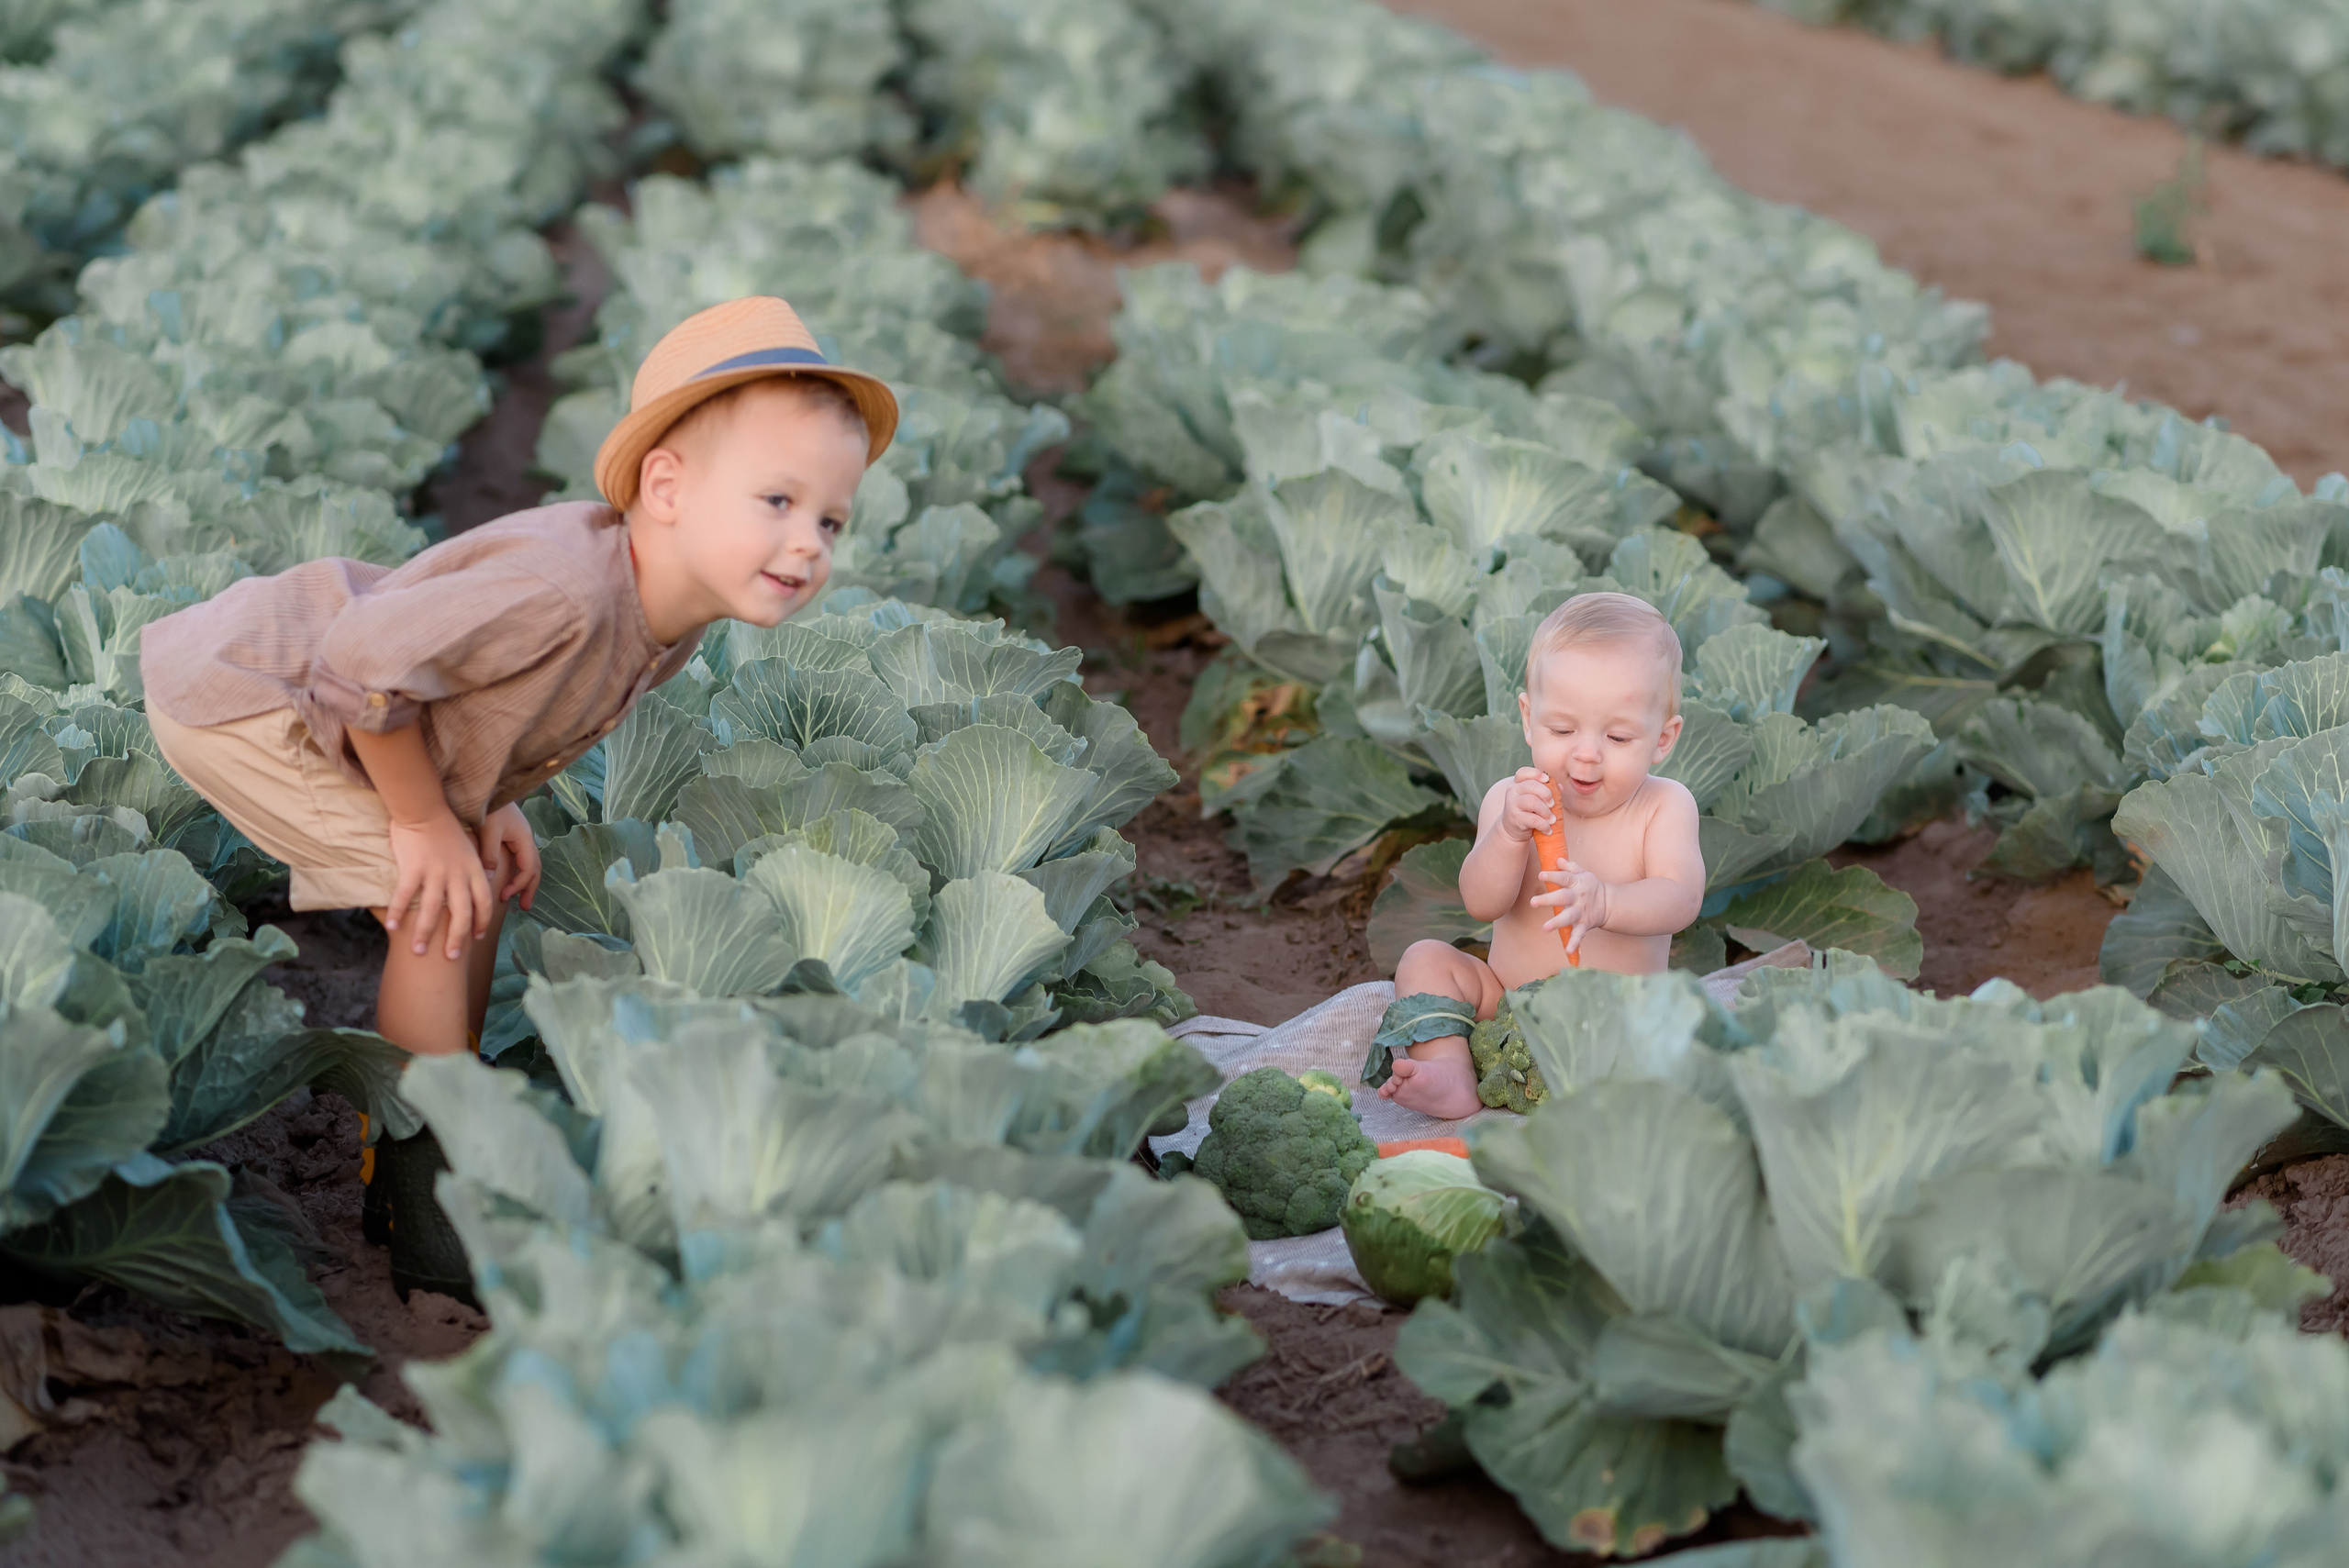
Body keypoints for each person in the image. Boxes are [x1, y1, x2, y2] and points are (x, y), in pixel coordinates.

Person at [137, 295, 897, 1297]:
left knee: (477, 882)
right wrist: (420, 820)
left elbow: (494, 702)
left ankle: (414, 1147)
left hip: (336, 698)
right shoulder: (565, 591)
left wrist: (485, 803)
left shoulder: (669, 620)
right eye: (776, 502)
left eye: (830, 518)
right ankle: (423, 1199)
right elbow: (363, 672)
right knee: (433, 911)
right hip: (250, 697)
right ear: (665, 486)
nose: (808, 544)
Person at [1375, 592, 1707, 1119]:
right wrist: (1509, 836)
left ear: (1662, 739)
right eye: (1562, 730)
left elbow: (1681, 897)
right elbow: (1481, 904)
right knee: (1425, 960)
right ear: (1529, 719)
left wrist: (1608, 904)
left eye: (1618, 736)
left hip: (1616, 1020)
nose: (1586, 753)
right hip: (1506, 1001)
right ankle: (1452, 1072)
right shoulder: (1511, 799)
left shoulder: (1664, 806)